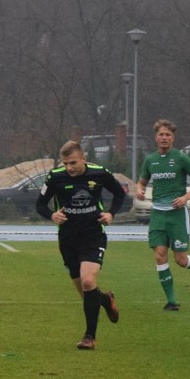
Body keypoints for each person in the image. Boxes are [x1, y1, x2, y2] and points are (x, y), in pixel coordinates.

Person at [35, 140, 125, 349]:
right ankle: (105, 300)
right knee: (86, 292)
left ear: (83, 158)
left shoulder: (99, 173)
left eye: (73, 163)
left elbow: (120, 193)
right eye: (65, 163)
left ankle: (89, 337)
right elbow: (40, 204)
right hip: (68, 239)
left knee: (87, 281)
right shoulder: (55, 176)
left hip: (93, 235)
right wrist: (52, 214)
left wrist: (111, 213)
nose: (69, 168)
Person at [135, 119, 190, 311]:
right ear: (156, 137)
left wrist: (186, 197)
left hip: (176, 215)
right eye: (161, 135)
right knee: (160, 256)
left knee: (180, 260)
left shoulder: (181, 158)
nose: (164, 138)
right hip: (158, 214)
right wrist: (140, 189)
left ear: (173, 138)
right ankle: (172, 301)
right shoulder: (150, 160)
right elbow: (141, 182)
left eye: (168, 135)